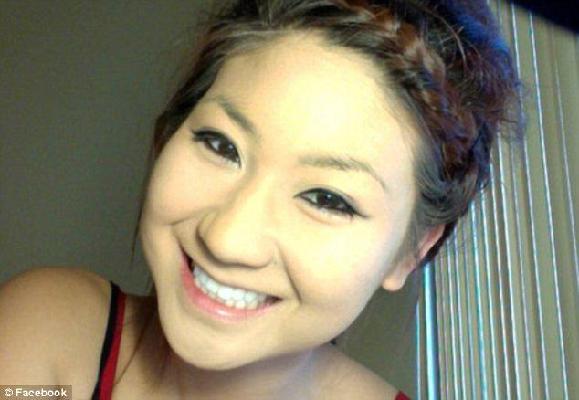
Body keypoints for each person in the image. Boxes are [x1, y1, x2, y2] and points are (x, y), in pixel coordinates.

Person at [0, 0, 521, 398]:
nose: (228, 239)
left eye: (327, 198)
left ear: (412, 251)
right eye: (220, 145)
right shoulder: (51, 348)